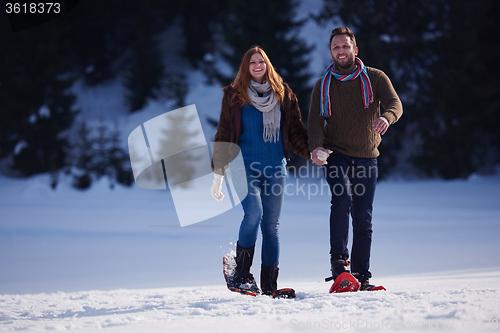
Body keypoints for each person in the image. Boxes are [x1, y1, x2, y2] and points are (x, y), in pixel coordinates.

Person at [307, 27, 403, 291]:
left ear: (355, 50)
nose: (341, 51)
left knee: (364, 217)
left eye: (345, 46)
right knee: (342, 198)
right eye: (336, 47)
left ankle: (361, 276)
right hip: (335, 152)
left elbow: (395, 104)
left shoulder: (375, 77)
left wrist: (386, 117)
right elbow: (314, 122)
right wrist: (316, 148)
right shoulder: (323, 84)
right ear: (331, 52)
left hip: (366, 155)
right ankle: (339, 266)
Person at [211, 46, 310, 297]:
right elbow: (224, 133)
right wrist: (218, 175)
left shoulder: (283, 94)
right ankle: (241, 275)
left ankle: (269, 287)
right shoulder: (235, 96)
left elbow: (296, 132)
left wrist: (312, 153)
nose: (257, 65)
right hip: (242, 165)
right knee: (253, 214)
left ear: (268, 65)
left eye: (261, 61)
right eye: (252, 62)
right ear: (245, 67)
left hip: (275, 167)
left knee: (271, 226)